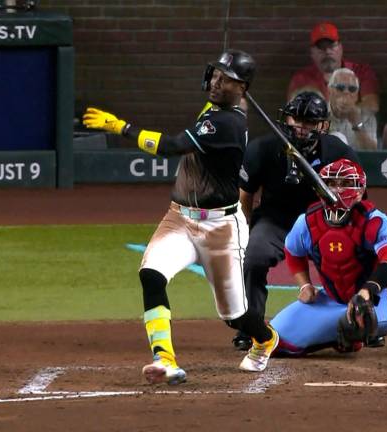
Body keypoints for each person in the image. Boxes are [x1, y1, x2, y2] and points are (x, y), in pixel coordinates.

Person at [82, 49, 279, 384]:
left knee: (235, 316)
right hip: (179, 219)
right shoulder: (214, 112)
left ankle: (266, 338)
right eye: (216, 75)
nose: (216, 82)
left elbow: (170, 146)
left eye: (226, 80)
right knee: (152, 275)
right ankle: (164, 358)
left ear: (242, 89)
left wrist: (121, 127)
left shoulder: (227, 124)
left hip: (221, 228)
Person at [269, 158, 387, 368]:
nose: (337, 189)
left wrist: (368, 290)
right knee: (273, 340)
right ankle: (341, 337)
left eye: (345, 183)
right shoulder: (307, 221)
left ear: (360, 190)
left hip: (376, 301)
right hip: (332, 302)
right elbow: (293, 252)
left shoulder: (374, 220)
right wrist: (305, 285)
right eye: (331, 183)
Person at [230, 92, 361, 351]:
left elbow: (357, 198)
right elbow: (245, 195)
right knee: (253, 258)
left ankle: (358, 325)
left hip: (322, 224)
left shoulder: (338, 152)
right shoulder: (263, 148)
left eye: (309, 122)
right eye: (296, 119)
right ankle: (250, 327)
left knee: (350, 262)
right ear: (286, 118)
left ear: (323, 125)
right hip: (275, 220)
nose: (301, 127)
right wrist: (242, 233)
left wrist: (349, 234)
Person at [287, 21, 380, 113]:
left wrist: (342, 114)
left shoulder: (361, 71)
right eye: (321, 47)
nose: (327, 51)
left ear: (340, 48)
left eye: (332, 46)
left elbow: (372, 106)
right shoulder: (301, 79)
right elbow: (294, 114)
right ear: (312, 52)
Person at [327, 68, 378, 150]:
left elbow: (372, 152)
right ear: (330, 91)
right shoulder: (319, 113)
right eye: (340, 88)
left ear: (356, 95)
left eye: (352, 89)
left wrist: (357, 124)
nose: (346, 92)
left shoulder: (367, 117)